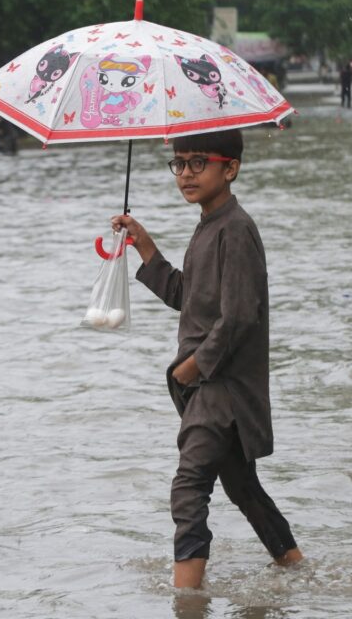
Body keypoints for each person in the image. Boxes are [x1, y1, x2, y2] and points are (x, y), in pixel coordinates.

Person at [112, 129, 302, 590]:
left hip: (221, 388)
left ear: (230, 168)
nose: (186, 174)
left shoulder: (235, 229)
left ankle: (187, 601)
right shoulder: (209, 226)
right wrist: (147, 249)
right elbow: (191, 297)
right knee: (243, 490)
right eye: (179, 164)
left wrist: (191, 367)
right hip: (212, 387)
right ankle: (298, 570)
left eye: (199, 163)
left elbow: (239, 318)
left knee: (189, 486)